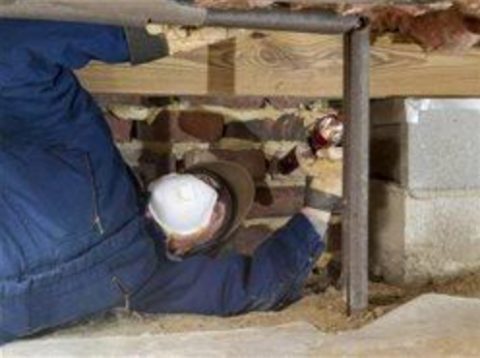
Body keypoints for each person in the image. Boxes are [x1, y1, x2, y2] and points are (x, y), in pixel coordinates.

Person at [0, 19, 333, 345]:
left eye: (217, 209)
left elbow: (257, 287)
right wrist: (145, 37)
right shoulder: (88, 149)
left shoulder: (156, 279)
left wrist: (321, 203)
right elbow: (12, 54)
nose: (204, 189)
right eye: (203, 179)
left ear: (185, 247)